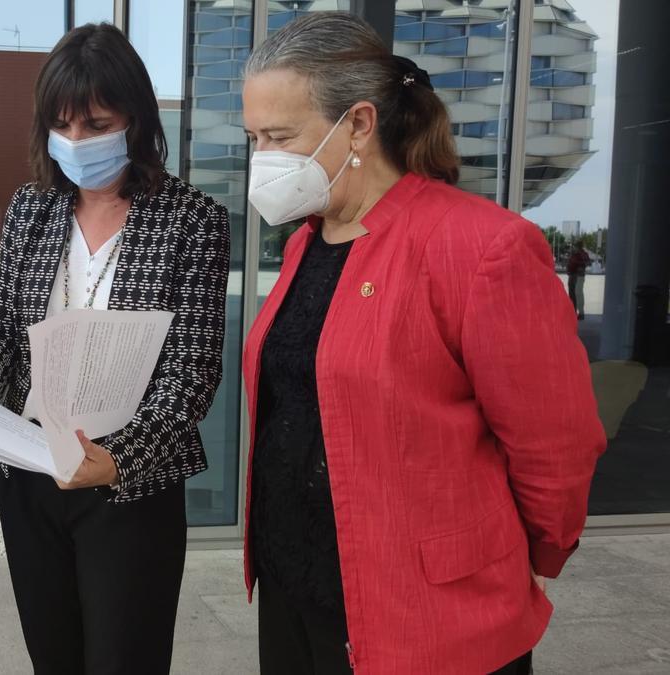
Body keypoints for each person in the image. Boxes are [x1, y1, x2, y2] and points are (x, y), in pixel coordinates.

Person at [240, 13, 605, 675]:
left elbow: (556, 441)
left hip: (427, 611)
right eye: (253, 137)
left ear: (357, 124)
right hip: (297, 586)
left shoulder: (480, 246)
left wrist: (536, 557)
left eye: (279, 136)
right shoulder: (305, 243)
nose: (262, 157)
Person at [0, 23, 230, 675]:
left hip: (127, 484)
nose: (77, 142)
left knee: (126, 658)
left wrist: (115, 460)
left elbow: (192, 377)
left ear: (136, 118)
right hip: (33, 473)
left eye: (95, 123)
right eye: (61, 126)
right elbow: (5, 335)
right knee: (54, 656)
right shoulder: (31, 209)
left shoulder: (191, 220)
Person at [567, 240, 590, 319]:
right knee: (572, 294)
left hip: (579, 276)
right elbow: (570, 263)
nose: (575, 247)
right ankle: (573, 311)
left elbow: (587, 262)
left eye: (576, 245)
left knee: (578, 293)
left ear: (579, 246)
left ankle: (581, 313)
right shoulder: (574, 254)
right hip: (572, 276)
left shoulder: (583, 254)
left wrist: (579, 265)